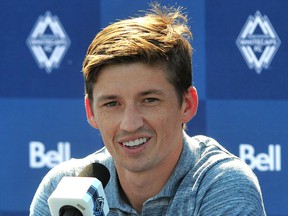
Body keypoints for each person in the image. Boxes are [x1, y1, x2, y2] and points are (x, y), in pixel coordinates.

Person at [30, 3, 266, 215]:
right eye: (112, 104)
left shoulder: (222, 184)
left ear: (188, 105)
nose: (130, 124)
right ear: (90, 111)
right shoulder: (62, 189)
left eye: (149, 100)